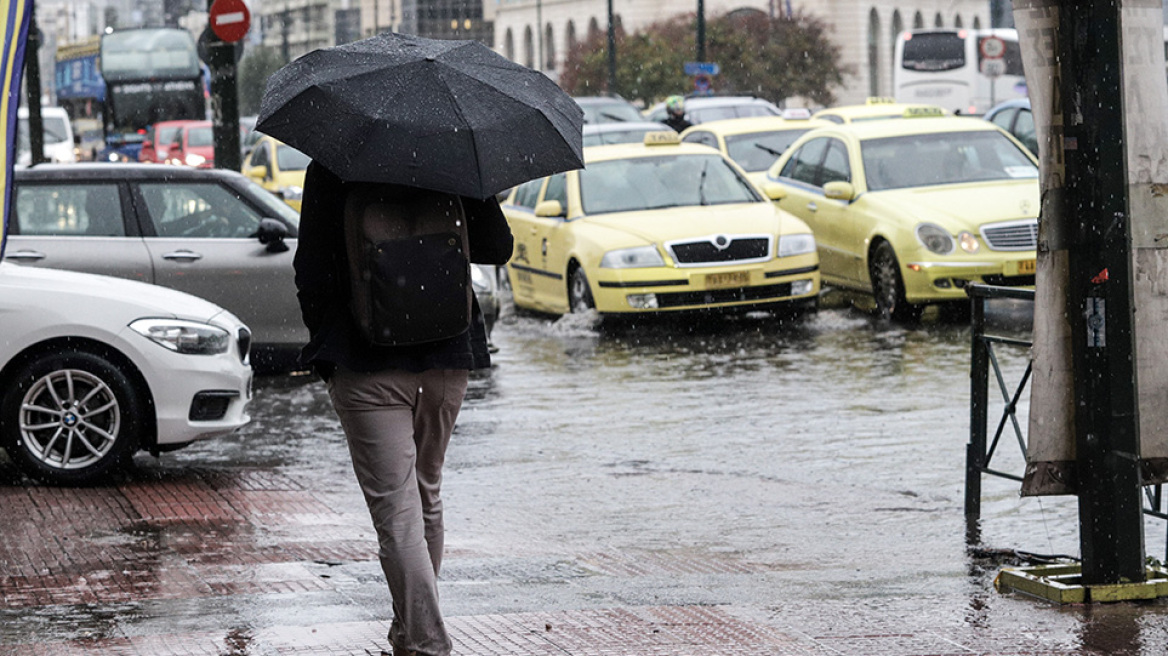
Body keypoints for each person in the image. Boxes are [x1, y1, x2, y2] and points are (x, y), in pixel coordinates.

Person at [294, 161, 514, 656]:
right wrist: (480, 192)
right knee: (424, 495)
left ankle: (427, 642)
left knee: (397, 512)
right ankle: (409, 631)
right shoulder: (452, 156)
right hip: (447, 355)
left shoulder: (333, 165)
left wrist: (328, 342)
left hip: (365, 359)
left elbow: (309, 270)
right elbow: (498, 249)